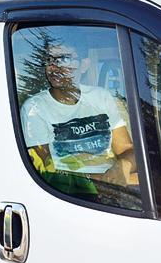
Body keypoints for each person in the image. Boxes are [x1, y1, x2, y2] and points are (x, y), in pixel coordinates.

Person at [20, 42, 137, 197]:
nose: (53, 67)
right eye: (49, 60)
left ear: (84, 64)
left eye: (64, 59)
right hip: (68, 194)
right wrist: (102, 181)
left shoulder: (101, 97)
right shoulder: (35, 108)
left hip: (113, 186)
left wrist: (123, 166)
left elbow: (127, 149)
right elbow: (45, 171)